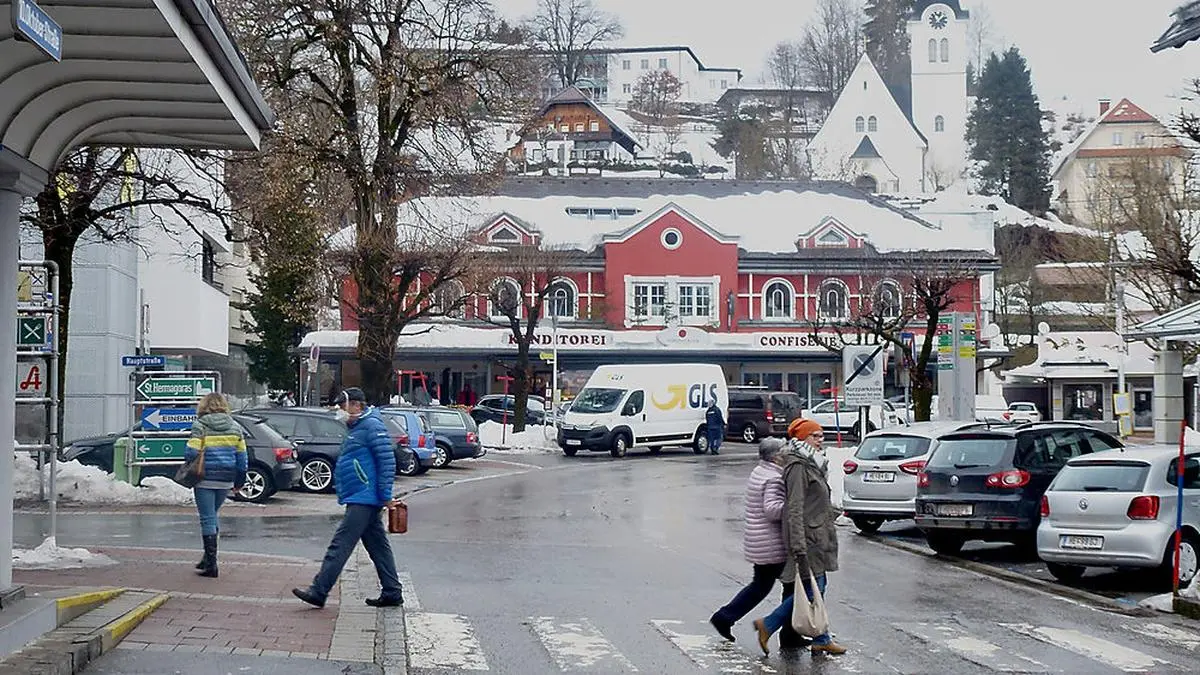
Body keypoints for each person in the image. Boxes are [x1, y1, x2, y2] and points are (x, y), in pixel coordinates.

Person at [293, 387, 404, 608]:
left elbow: (386, 461)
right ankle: (392, 591)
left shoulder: (371, 426)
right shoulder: (358, 427)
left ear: (356, 405)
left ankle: (319, 590)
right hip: (362, 494)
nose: (339, 411)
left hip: (365, 496)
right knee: (377, 546)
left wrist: (385, 495)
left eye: (342, 406)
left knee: (341, 543)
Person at [752, 418, 847, 657]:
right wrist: (797, 544)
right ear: (802, 438)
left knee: (815, 587)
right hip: (807, 537)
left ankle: (819, 638)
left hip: (818, 534)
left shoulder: (812, 461)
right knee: (815, 587)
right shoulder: (797, 466)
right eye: (815, 436)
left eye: (821, 435)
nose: (820, 440)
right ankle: (770, 625)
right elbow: (794, 507)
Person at [710, 437, 787, 641]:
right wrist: (793, 506)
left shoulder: (760, 471)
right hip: (770, 542)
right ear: (776, 457)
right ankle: (726, 617)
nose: (787, 453)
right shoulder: (774, 478)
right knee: (792, 586)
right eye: (784, 450)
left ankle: (725, 617)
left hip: (758, 538)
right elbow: (772, 510)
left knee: (762, 585)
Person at [186, 393, 247, 579]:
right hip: (226, 478)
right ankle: (207, 559)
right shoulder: (235, 427)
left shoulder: (200, 425)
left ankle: (211, 565)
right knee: (212, 515)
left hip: (204, 477)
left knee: (207, 518)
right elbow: (242, 457)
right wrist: (240, 481)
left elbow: (191, 453)